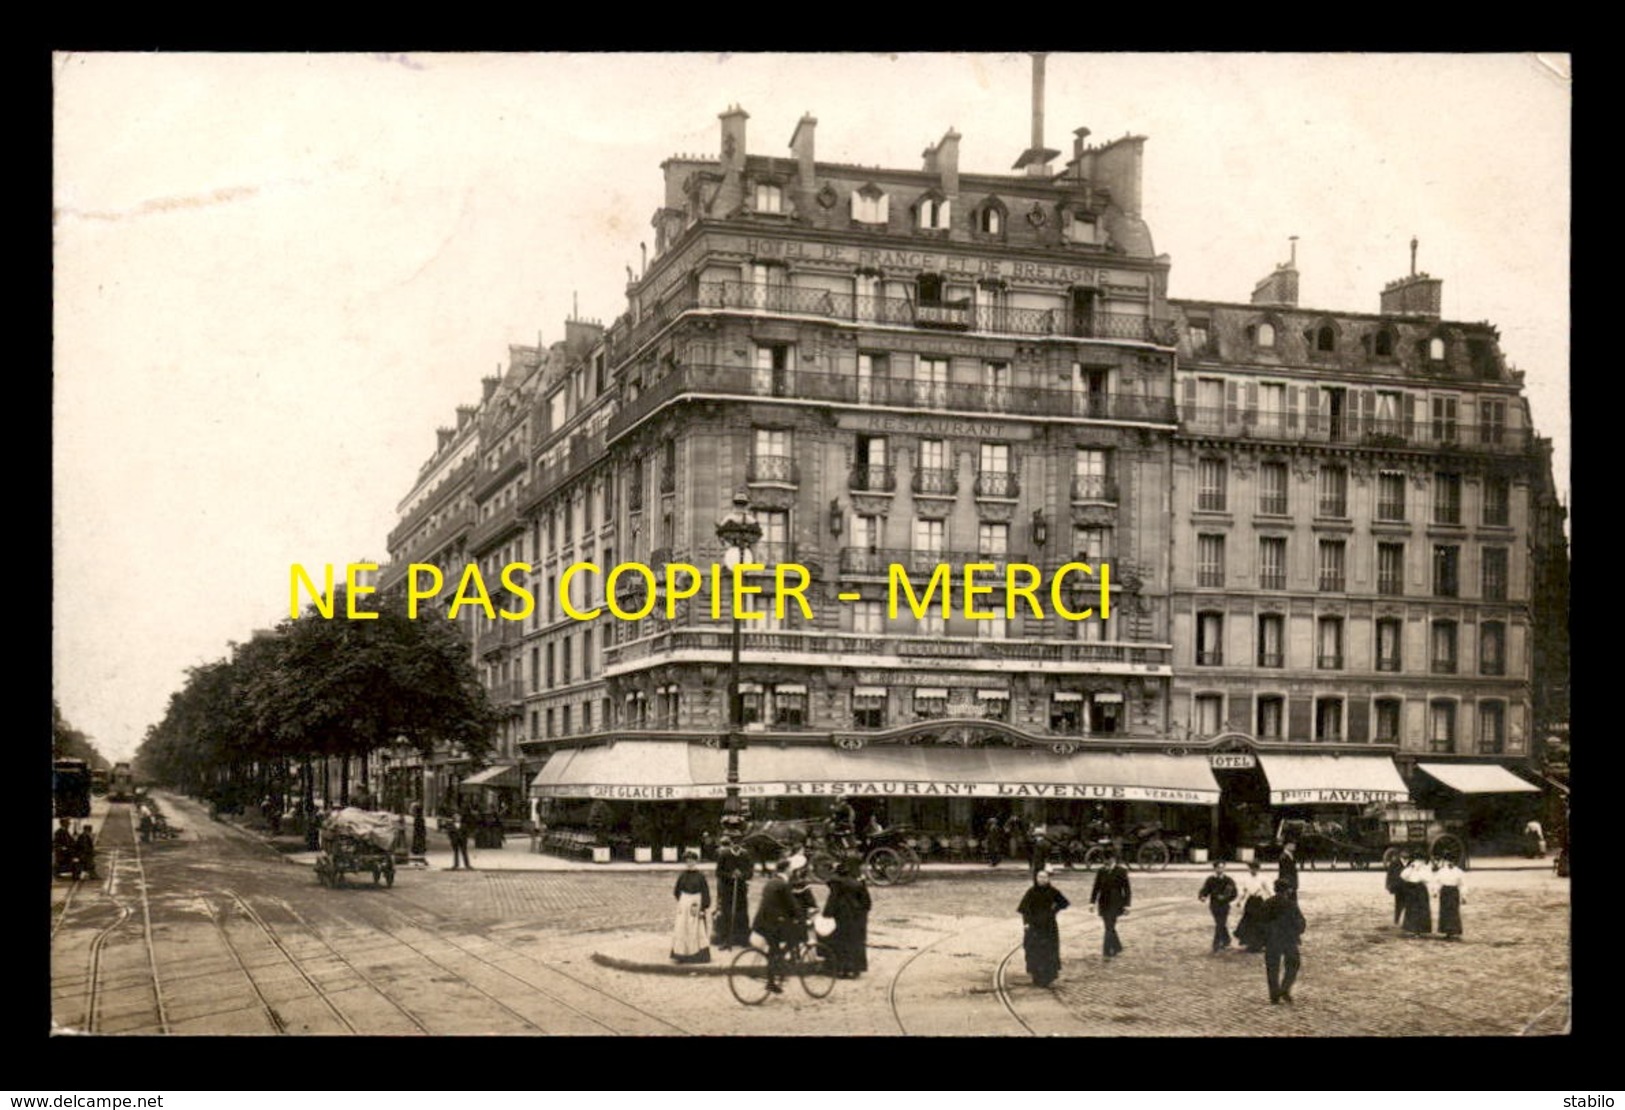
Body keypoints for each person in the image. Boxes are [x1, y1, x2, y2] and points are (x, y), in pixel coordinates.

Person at [752, 859, 803, 994]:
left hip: (763, 922)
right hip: (773, 923)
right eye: (790, 868)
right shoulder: (783, 884)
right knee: (795, 938)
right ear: (786, 869)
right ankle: (779, 963)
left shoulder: (771, 882)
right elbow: (791, 904)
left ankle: (771, 981)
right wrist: (800, 917)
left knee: (773, 950)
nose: (792, 871)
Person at [1017, 869, 1071, 988]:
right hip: (1034, 925)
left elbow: (1064, 903)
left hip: (1048, 926)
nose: (1041, 879)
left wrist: (1054, 910)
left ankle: (1048, 976)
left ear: (1048, 879)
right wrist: (1026, 923)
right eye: (1039, 877)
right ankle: (1036, 976)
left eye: (1044, 877)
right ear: (1036, 879)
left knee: (1048, 950)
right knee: (1033, 950)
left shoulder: (1053, 891)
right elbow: (1024, 909)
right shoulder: (1031, 892)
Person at [821, 859, 872, 978]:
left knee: (840, 942)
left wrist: (826, 916)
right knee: (855, 943)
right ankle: (854, 969)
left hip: (841, 917)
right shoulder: (858, 884)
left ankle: (840, 969)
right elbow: (867, 903)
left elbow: (831, 902)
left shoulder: (836, 884)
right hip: (856, 918)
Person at [1261, 878, 1307, 1004]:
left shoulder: (1267, 903)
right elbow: (1301, 922)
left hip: (1272, 940)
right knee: (1293, 964)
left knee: (1272, 968)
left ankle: (1274, 995)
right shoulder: (1291, 904)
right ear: (1287, 890)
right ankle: (1285, 988)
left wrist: (1264, 938)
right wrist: (1297, 932)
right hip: (1289, 939)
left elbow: (1260, 923)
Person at [713, 834, 754, 950]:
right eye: (734, 842)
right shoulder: (724, 854)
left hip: (741, 890)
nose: (736, 845)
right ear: (730, 842)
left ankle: (743, 940)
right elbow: (718, 872)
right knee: (726, 914)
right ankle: (725, 940)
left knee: (742, 914)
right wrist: (730, 875)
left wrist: (742, 875)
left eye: (738, 842)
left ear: (741, 844)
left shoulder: (745, 855)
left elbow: (750, 872)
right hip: (727, 890)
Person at [671, 851, 712, 964]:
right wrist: (683, 902)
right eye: (687, 861)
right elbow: (676, 891)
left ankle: (698, 955)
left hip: (696, 905)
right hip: (684, 906)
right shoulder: (682, 876)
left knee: (697, 930)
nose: (690, 864)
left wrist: (703, 907)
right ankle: (682, 954)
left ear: (696, 861)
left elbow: (705, 892)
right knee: (682, 928)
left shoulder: (700, 876)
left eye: (692, 861)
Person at [1090, 850, 1132, 958]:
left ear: (1112, 859)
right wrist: (1092, 902)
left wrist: (1127, 905)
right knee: (1109, 926)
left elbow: (1126, 889)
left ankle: (1107, 951)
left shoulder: (1121, 871)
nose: (1105, 862)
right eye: (1104, 860)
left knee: (1109, 926)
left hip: (1116, 902)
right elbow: (1096, 888)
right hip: (1103, 903)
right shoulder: (1101, 871)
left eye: (1107, 860)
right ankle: (1117, 946)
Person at [1198, 859, 1238, 953]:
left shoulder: (1228, 880)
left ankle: (1216, 944)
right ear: (1215, 868)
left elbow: (1234, 893)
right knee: (1220, 923)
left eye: (1222, 867)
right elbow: (1205, 890)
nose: (1221, 869)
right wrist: (1202, 896)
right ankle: (1226, 940)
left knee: (1220, 923)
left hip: (1224, 905)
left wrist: (1226, 898)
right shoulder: (1211, 880)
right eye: (1219, 867)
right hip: (1214, 905)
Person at [1233, 859, 1270, 953]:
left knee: (1259, 922)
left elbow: (1269, 890)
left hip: (1259, 901)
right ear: (1249, 869)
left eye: (1255, 869)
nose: (1253, 870)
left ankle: (1260, 943)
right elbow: (1243, 891)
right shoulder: (1246, 878)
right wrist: (1239, 901)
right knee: (1249, 921)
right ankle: (1249, 942)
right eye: (1251, 868)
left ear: (1258, 869)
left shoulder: (1263, 878)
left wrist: (1273, 900)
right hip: (1250, 902)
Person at [1399, 853, 1432, 936]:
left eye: (1420, 860)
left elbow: (1428, 878)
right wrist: (1411, 868)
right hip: (1412, 889)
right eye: (1417, 860)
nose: (1418, 862)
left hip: (1421, 889)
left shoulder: (1425, 868)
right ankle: (1411, 928)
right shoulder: (1410, 868)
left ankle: (1420, 929)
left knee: (1421, 909)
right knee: (1411, 909)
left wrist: (1420, 871)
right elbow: (1403, 876)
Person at [1433, 858, 1466, 940]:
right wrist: (1435, 892)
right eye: (1449, 861)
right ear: (1446, 861)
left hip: (1454, 892)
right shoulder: (1442, 871)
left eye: (1453, 861)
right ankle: (1446, 931)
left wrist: (1464, 896)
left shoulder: (1459, 872)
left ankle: (1454, 931)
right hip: (1445, 891)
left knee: (1453, 911)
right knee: (1445, 911)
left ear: (1455, 862)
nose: (1451, 863)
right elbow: (1437, 882)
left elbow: (1462, 885)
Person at [1385, 850, 1407, 926]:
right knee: (1398, 904)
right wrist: (1388, 885)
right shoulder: (1394, 863)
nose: (1405, 854)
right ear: (1400, 854)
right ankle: (1396, 920)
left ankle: (1406, 922)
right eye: (1404, 853)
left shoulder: (1411, 863)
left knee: (1409, 905)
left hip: (1409, 887)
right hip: (1399, 887)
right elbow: (1389, 875)